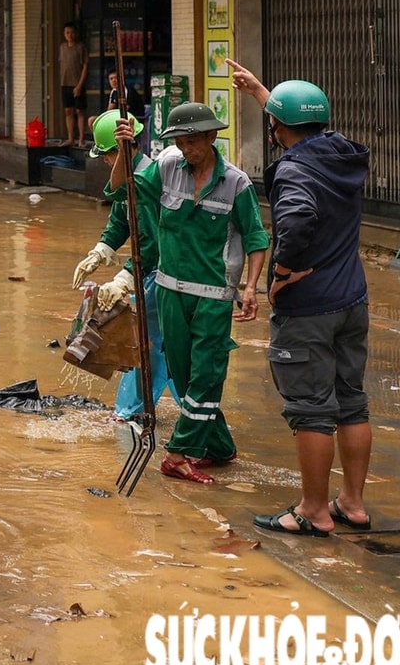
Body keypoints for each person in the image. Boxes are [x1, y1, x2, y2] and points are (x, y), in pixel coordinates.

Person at [227, 63, 375, 538]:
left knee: (312, 409)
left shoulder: (292, 172)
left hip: (309, 307)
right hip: (351, 298)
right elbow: (304, 129)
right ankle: (352, 503)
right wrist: (262, 94)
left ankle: (314, 510)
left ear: (276, 127)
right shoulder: (343, 154)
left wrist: (283, 273)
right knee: (351, 402)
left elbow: (294, 222)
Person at [104, 102, 270, 483]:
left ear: (212, 137)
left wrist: (251, 288)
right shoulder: (165, 168)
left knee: (206, 375)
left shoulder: (237, 182)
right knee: (182, 374)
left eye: (192, 141)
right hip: (169, 291)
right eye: (179, 141)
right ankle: (218, 446)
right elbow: (121, 189)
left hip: (213, 295)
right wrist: (126, 151)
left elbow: (256, 238)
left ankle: (178, 452)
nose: (185, 149)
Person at [71, 112, 174, 421]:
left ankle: (132, 409)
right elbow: (119, 221)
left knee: (146, 340)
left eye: (107, 155)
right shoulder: (125, 181)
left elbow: (152, 244)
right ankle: (171, 408)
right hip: (150, 273)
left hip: (164, 272)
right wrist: (99, 251)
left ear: (124, 149)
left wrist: (123, 278)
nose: (104, 162)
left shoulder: (150, 180)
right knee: (156, 341)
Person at [57, 23, 88, 145]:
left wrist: (80, 85)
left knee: (80, 111)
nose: (70, 35)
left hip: (78, 84)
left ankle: (81, 139)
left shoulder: (80, 47)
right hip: (65, 84)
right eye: (67, 33)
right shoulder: (62, 47)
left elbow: (85, 66)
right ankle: (70, 138)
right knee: (68, 111)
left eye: (72, 32)